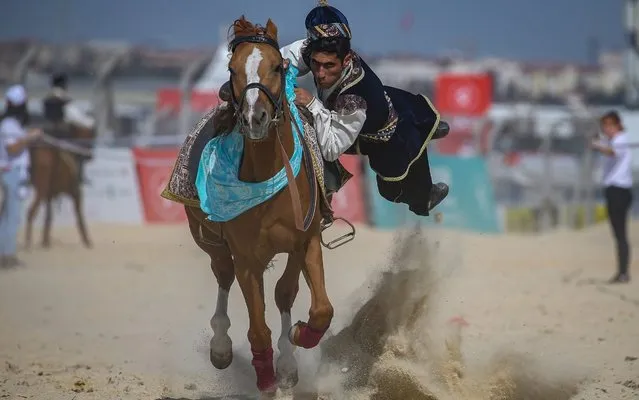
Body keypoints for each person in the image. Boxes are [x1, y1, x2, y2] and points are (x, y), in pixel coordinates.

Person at [275, 2, 448, 216]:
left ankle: (425, 190)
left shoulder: (354, 98)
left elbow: (331, 148)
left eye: (329, 66)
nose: (319, 74)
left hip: (384, 135)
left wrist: (312, 104)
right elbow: (281, 58)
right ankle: (427, 126)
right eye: (315, 64)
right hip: (366, 108)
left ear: (346, 59)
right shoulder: (317, 49)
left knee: (391, 190)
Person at [0, 85, 42, 268]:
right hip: (12, 172)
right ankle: (6, 256)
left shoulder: (12, 124)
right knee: (12, 215)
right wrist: (29, 138)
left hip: (15, 171)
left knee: (10, 215)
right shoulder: (8, 125)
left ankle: (6, 253)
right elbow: (12, 148)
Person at [591, 111, 633, 283]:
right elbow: (606, 148)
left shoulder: (621, 140)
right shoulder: (612, 141)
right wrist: (598, 143)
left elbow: (612, 152)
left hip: (619, 190)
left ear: (617, 125)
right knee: (617, 234)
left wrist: (598, 145)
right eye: (604, 125)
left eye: (609, 125)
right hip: (613, 189)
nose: (606, 129)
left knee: (621, 234)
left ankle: (623, 272)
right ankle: (621, 271)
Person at [42, 72, 94, 184]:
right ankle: (80, 170)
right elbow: (73, 116)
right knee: (84, 137)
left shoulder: (47, 98)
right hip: (64, 131)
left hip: (49, 130)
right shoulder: (64, 100)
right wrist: (89, 122)